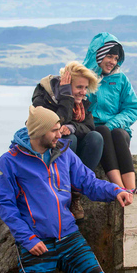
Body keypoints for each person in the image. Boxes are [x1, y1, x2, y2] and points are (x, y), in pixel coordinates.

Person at [0, 106, 133, 273]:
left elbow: (88, 182)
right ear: (39, 132)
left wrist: (116, 191)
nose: (61, 134)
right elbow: (5, 205)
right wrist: (27, 239)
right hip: (36, 240)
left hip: (68, 233)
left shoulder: (64, 154)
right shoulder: (11, 161)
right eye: (55, 130)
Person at [32, 61, 103, 219]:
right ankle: (62, 190)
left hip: (70, 153)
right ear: (66, 85)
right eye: (79, 87)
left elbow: (89, 127)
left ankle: (76, 191)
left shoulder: (82, 104)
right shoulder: (45, 97)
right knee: (69, 139)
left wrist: (72, 127)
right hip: (46, 152)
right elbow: (56, 122)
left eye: (85, 88)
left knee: (96, 137)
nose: (83, 92)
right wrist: (66, 97)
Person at [82, 32, 137, 193]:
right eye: (109, 56)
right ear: (98, 54)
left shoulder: (121, 79)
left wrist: (112, 123)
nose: (113, 62)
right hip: (93, 131)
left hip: (117, 131)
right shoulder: (83, 78)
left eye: (116, 58)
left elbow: (133, 108)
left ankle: (131, 187)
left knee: (116, 133)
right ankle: (121, 187)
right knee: (101, 131)